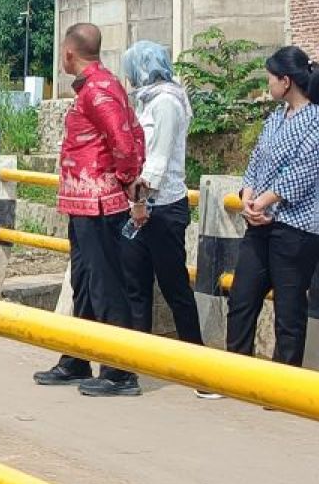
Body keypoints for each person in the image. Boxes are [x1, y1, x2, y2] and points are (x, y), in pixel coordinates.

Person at [34, 23, 145, 396]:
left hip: (99, 201)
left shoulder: (99, 90)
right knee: (83, 282)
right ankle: (77, 358)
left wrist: (127, 177)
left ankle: (120, 371)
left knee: (106, 285)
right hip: (84, 202)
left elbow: (126, 141)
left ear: (68, 53)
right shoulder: (98, 88)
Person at [227, 46, 319, 368]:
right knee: (242, 297)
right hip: (262, 221)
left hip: (299, 226)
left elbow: (302, 171)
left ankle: (284, 382)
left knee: (288, 308)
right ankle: (234, 372)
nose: (268, 85)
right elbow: (256, 161)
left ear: (285, 81)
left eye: (271, 78)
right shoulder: (276, 117)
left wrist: (261, 202)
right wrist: (248, 196)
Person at [119, 41, 203, 350]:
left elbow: (158, 159)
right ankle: (136, 362)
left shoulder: (166, 101)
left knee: (174, 288)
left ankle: (199, 366)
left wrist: (140, 202)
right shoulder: (148, 100)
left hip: (162, 207)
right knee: (135, 286)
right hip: (142, 206)